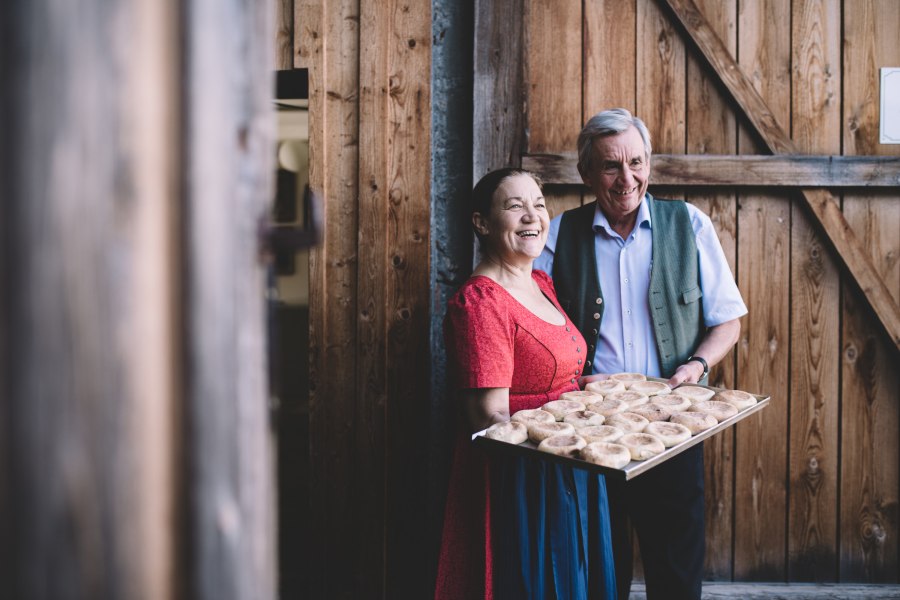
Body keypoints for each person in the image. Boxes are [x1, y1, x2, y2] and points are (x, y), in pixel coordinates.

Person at [534, 108, 748, 600]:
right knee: (595, 572)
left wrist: (695, 367)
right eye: (610, 166)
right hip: (587, 429)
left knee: (675, 569)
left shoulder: (688, 224)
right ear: (586, 173)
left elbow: (728, 321)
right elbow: (532, 324)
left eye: (636, 162)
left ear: (649, 162)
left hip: (670, 425)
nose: (626, 178)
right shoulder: (560, 235)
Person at [434, 168, 617, 600]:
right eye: (514, 206)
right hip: (524, 480)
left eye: (538, 204)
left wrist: (599, 391)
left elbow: (552, 378)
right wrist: (566, 426)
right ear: (481, 222)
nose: (531, 216)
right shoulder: (480, 302)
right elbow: (489, 419)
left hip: (569, 464)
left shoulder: (538, 282)